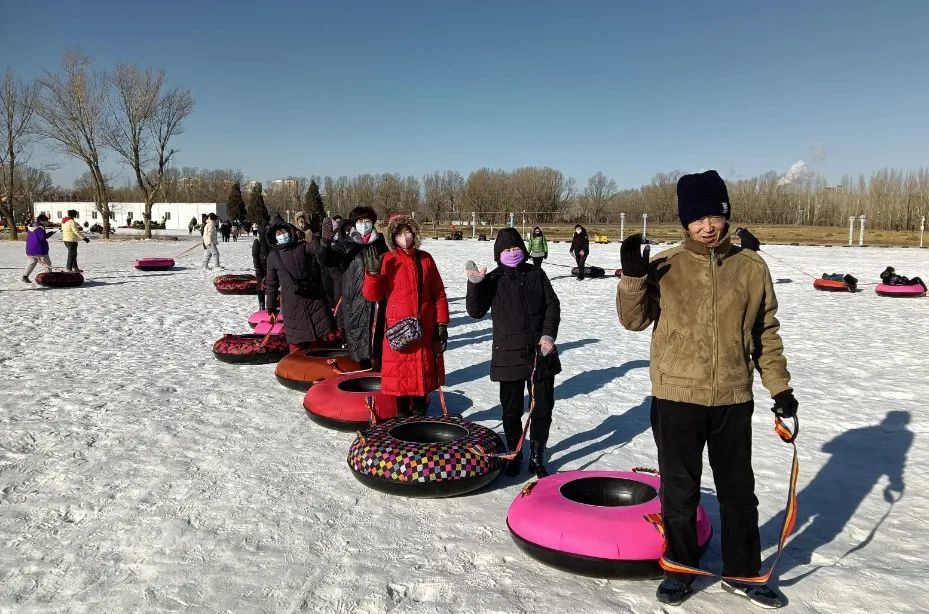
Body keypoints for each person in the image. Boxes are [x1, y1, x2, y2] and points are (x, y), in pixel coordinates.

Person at [617, 170, 796, 608]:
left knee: (739, 491)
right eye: (696, 219)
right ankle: (681, 568)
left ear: (726, 214)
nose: (707, 226)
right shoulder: (666, 264)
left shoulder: (751, 267)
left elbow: (765, 332)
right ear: (685, 223)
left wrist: (779, 388)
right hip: (677, 396)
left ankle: (743, 573)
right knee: (679, 490)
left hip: (733, 397)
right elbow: (633, 320)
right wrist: (634, 278)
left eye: (713, 215)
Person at [465, 228, 561, 476]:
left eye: (516, 247)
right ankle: (514, 454)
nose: (512, 252)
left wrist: (548, 335)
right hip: (508, 355)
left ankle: (538, 458)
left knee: (542, 408)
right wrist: (475, 285)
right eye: (506, 249)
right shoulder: (494, 279)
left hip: (541, 353)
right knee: (511, 410)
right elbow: (475, 311)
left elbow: (553, 304)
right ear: (499, 253)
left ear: (523, 249)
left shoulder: (536, 274)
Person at [362, 214, 449, 416]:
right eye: (400, 233)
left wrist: (442, 322)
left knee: (422, 381)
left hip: (424, 331)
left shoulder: (426, 259)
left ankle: (419, 417)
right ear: (393, 236)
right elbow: (371, 295)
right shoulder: (387, 260)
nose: (405, 237)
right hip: (398, 332)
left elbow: (438, 293)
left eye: (408, 232)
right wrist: (372, 274)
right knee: (399, 383)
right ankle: (402, 421)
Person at [322, 207, 390, 369]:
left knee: (377, 343)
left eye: (367, 221)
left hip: (377, 304)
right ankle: (360, 374)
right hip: (354, 302)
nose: (364, 224)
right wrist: (325, 242)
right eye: (360, 221)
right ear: (354, 224)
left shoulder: (381, 244)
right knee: (357, 344)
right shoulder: (346, 245)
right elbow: (326, 260)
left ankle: (378, 376)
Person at [264, 218, 337, 352]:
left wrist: (323, 240)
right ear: (273, 237)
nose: (282, 235)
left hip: (313, 298)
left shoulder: (302, 247)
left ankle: (319, 367)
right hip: (292, 304)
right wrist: (270, 306)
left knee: (317, 337)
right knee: (296, 342)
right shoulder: (273, 257)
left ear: (290, 232)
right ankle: (296, 367)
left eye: (284, 231)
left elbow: (318, 249)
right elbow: (271, 283)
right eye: (278, 233)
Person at [22, 213, 55, 283]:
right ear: (42, 221)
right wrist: (50, 233)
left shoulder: (31, 227)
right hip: (39, 250)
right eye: (46, 221)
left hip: (30, 249)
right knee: (47, 264)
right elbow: (42, 237)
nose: (46, 223)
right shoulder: (39, 227)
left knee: (31, 263)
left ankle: (25, 276)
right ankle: (49, 277)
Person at [252, 222, 271, 310]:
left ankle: (271, 304)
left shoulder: (271, 241)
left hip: (271, 267)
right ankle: (261, 304)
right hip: (261, 267)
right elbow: (255, 256)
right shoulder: (257, 242)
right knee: (260, 287)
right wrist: (257, 267)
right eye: (266, 229)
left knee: (271, 286)